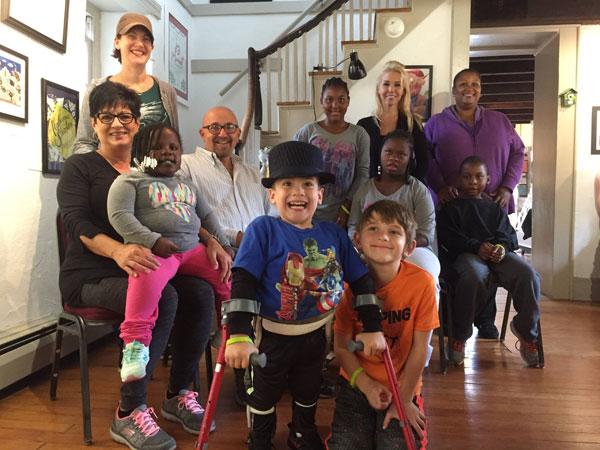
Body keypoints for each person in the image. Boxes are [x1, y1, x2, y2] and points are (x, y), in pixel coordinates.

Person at [57, 81, 228, 450]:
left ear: (137, 124)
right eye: (107, 116)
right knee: (165, 298)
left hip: (152, 264)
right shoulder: (80, 167)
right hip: (94, 274)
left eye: (126, 116)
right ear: (94, 123)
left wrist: (211, 240)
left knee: (200, 291)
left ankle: (178, 394)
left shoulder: (150, 166)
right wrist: (119, 252)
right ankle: (129, 411)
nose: (117, 124)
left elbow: (180, 212)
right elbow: (76, 223)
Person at [222, 141, 386, 449]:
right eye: (287, 184)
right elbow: (243, 281)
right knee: (264, 393)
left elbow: (361, 280)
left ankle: (301, 432)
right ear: (272, 195)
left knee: (308, 389)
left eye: (308, 184)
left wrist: (373, 327)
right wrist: (239, 334)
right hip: (271, 336)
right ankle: (260, 438)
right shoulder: (263, 230)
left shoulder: (333, 235)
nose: (298, 192)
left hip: (316, 336)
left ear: (320, 194)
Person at [107, 123, 232, 384]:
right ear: (141, 152)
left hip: (193, 250)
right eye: (158, 147)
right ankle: (135, 345)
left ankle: (228, 329)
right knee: (144, 276)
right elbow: (120, 217)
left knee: (226, 271)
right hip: (157, 252)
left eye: (174, 147)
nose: (168, 152)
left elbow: (207, 216)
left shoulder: (187, 185)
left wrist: (222, 244)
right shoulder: (129, 181)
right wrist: (152, 241)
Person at [327, 200, 438, 449]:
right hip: (356, 382)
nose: (383, 236)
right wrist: (366, 386)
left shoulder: (422, 284)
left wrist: (404, 399)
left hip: (403, 385)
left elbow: (420, 348)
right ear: (357, 239)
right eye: (373, 228)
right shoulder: (346, 287)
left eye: (394, 231)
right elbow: (342, 348)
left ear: (409, 247)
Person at [425, 68, 525, 339]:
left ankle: (486, 319)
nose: (469, 89)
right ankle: (457, 322)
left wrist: (507, 187)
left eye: (475, 84)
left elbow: (518, 153)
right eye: (463, 84)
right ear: (454, 89)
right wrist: (440, 187)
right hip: (454, 211)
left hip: (492, 207)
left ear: (480, 90)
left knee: (493, 259)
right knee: (464, 265)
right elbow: (425, 159)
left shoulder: (500, 121)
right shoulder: (436, 124)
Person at [436, 156, 541, 367]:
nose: (473, 182)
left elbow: (508, 235)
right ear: (459, 179)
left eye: (479, 176)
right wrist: (476, 247)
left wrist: (501, 247)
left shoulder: (494, 208)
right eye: (467, 177)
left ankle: (526, 331)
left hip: (498, 255)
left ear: (488, 180)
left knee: (528, 275)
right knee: (475, 276)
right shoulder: (450, 208)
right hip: (466, 255)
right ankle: (460, 335)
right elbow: (450, 239)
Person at [73, 13, 178, 154]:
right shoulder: (96, 89)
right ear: (117, 42)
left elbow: (174, 144)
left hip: (157, 169)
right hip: (107, 168)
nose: (139, 44)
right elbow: (84, 143)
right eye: (132, 36)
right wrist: (101, 167)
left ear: (152, 46)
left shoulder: (166, 91)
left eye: (146, 39)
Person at [348, 130, 440, 284]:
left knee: (423, 272)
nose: (393, 158)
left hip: (412, 251)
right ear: (380, 154)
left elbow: (426, 234)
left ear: (410, 159)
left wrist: (395, 248)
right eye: (389, 152)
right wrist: (369, 247)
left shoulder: (418, 190)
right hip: (370, 249)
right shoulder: (364, 190)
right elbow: (353, 227)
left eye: (401, 154)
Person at [179, 106, 271, 250]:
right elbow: (182, 214)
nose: (223, 134)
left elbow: (271, 214)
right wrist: (236, 237)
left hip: (262, 252)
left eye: (230, 127)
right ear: (202, 133)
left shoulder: (253, 172)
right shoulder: (185, 165)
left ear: (238, 133)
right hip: (217, 252)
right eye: (214, 127)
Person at [294, 77, 370, 228]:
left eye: (341, 99)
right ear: (321, 101)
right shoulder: (307, 132)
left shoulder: (359, 134)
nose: (335, 105)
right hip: (310, 212)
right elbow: (295, 171)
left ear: (348, 101)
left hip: (346, 213)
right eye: (329, 99)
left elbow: (362, 173)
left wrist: (347, 206)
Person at [357, 61, 429, 181]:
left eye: (397, 85)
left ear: (403, 91)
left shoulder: (413, 124)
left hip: (404, 189)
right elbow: (358, 164)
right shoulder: (364, 125)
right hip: (370, 189)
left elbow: (423, 162)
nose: (391, 89)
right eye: (386, 84)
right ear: (378, 89)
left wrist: (409, 186)